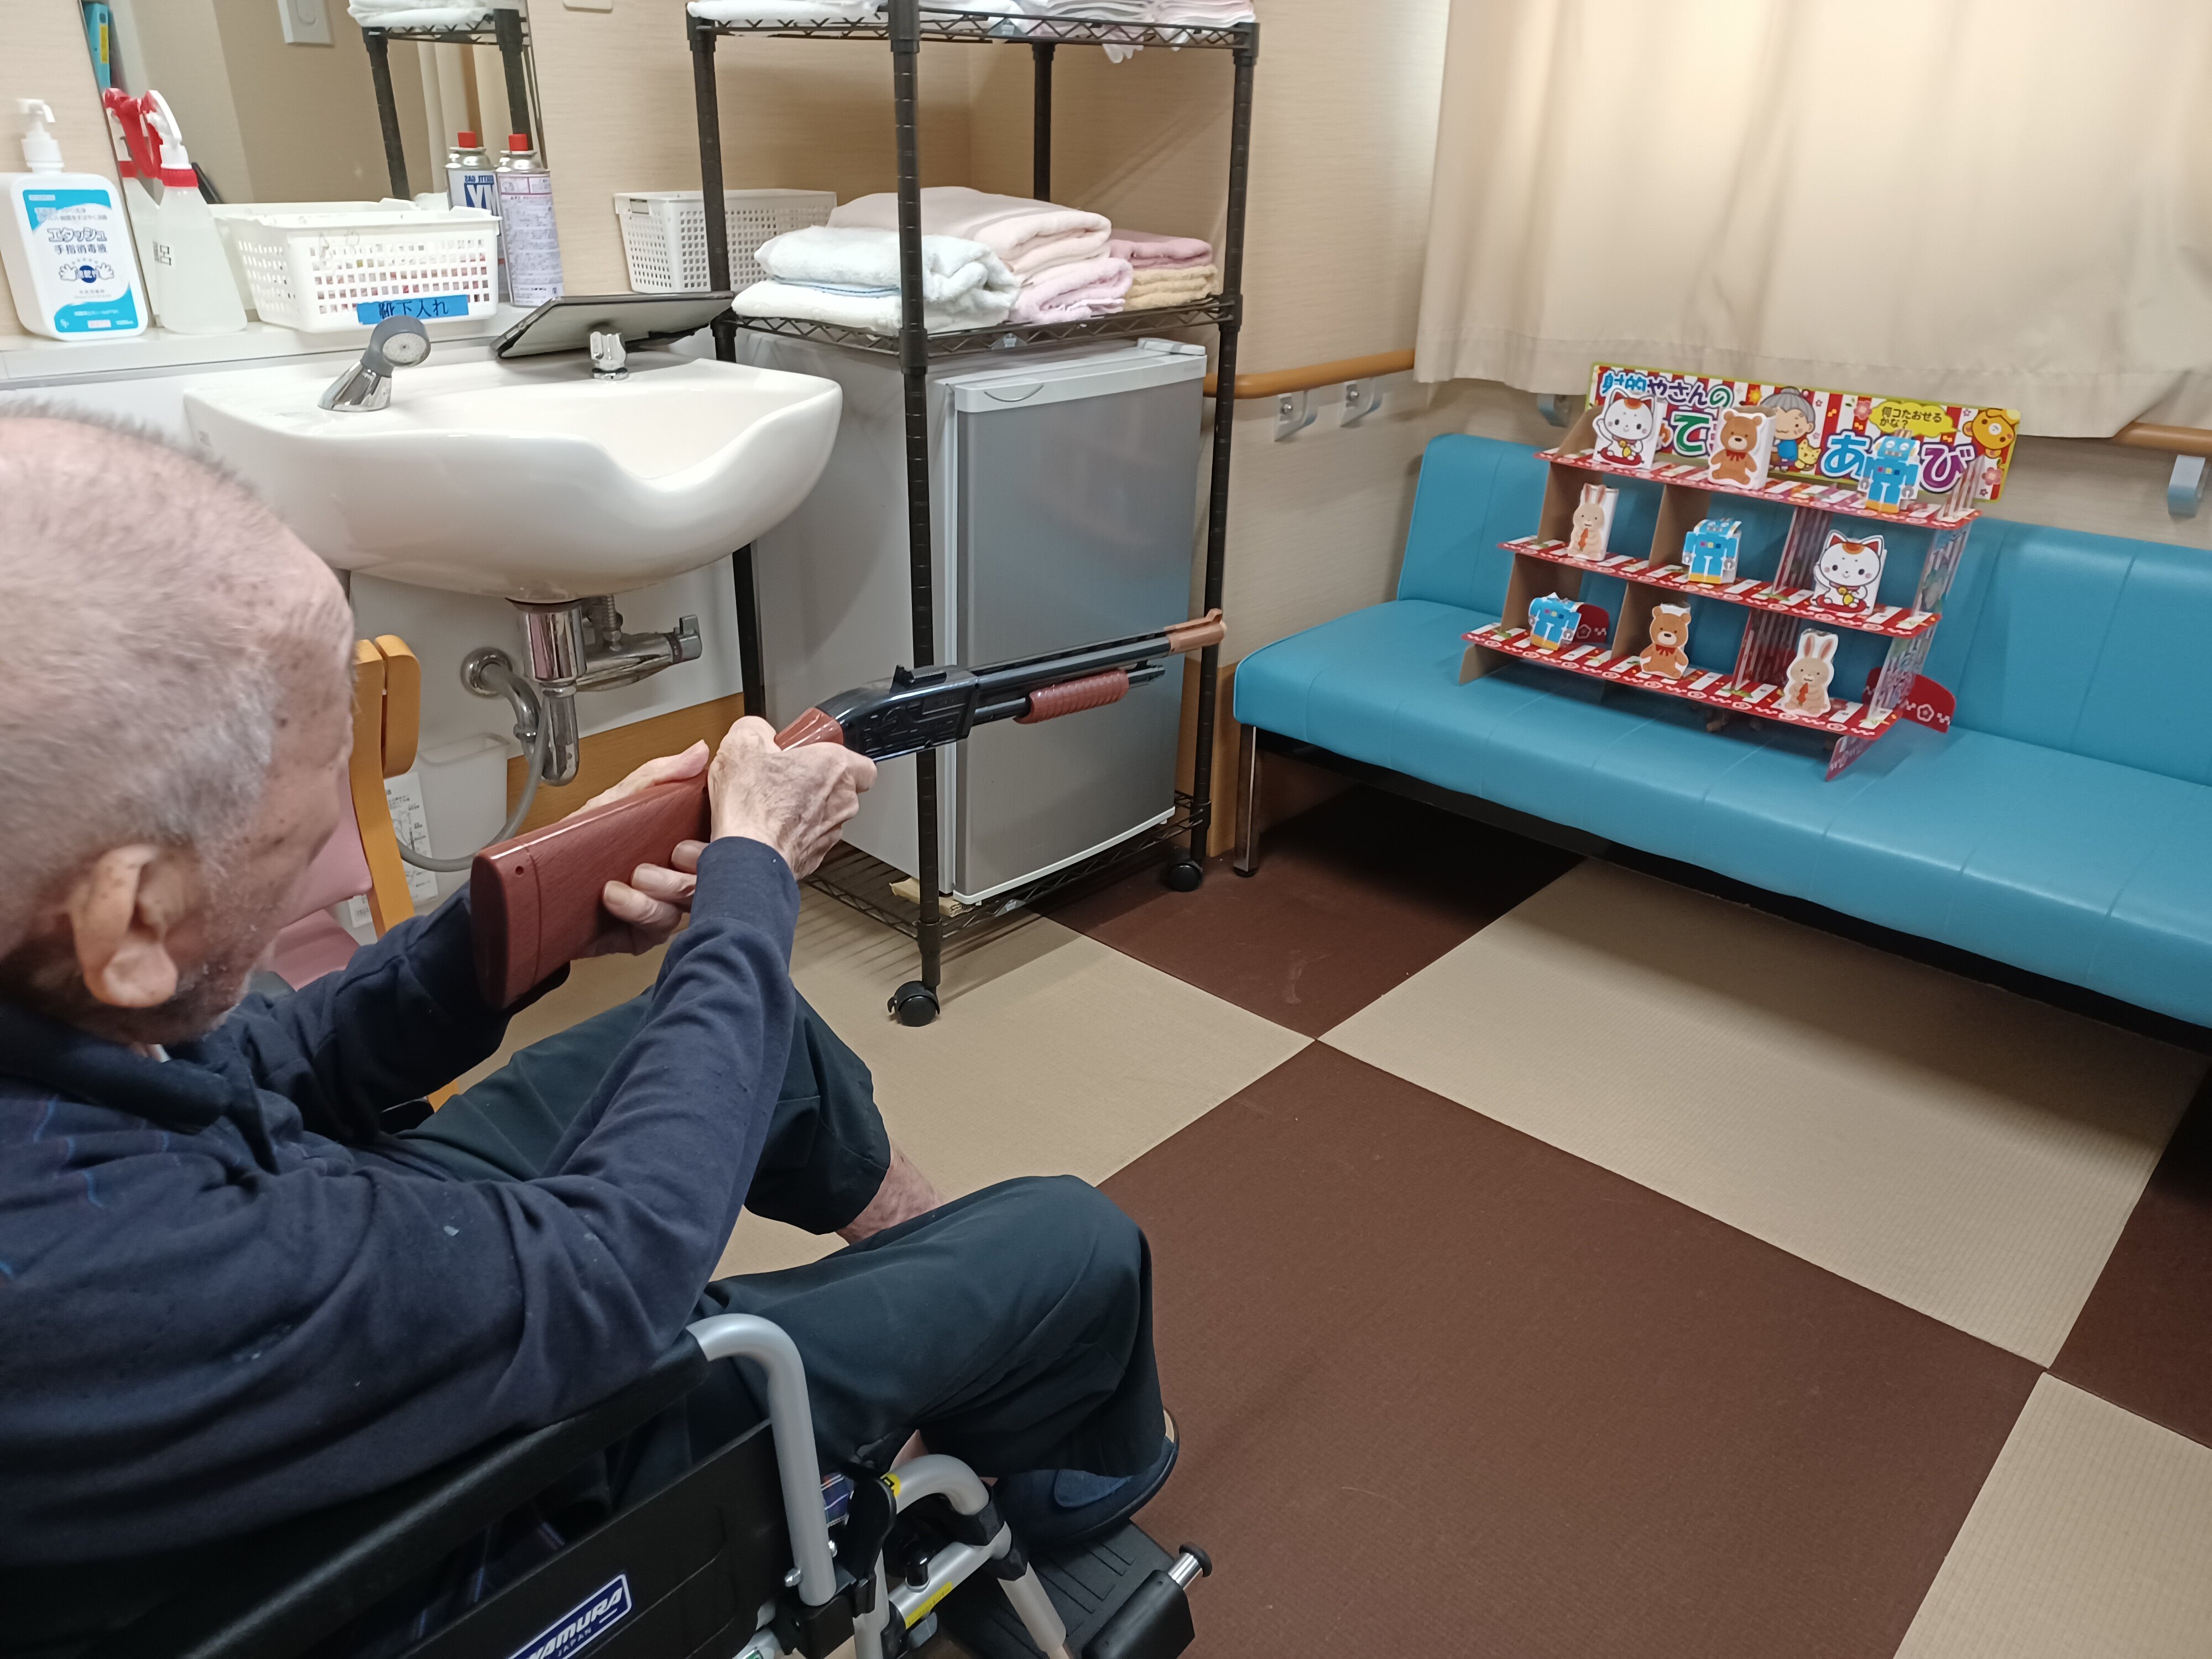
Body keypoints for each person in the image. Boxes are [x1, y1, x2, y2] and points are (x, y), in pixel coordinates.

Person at [0, 415, 1175, 1654]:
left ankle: (953, 1328)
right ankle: (1048, 1477)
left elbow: (259, 1066)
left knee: (764, 1038)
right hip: (490, 1507)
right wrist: (752, 882)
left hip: (320, 1283)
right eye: (298, 845)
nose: (322, 864)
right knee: (1074, 1241)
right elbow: (611, 1272)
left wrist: (540, 913)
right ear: (133, 921)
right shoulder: (109, 1271)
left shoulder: (69, 1018)